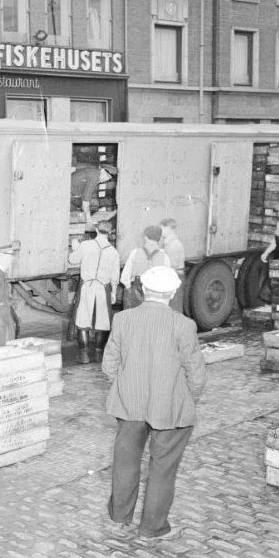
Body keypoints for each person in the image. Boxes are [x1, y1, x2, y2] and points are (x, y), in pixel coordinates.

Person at [102, 265, 206, 541]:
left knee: (125, 461)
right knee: (162, 467)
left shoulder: (123, 319)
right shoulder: (183, 325)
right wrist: (186, 398)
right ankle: (153, 528)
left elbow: (109, 364)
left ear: (143, 291)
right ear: (172, 293)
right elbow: (196, 373)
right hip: (168, 407)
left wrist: (125, 388)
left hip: (129, 404)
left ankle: (119, 516)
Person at [68, 221, 120, 363]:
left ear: (96, 229)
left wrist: (75, 247)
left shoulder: (86, 245)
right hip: (103, 288)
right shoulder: (113, 252)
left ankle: (84, 355)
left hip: (87, 287)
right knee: (103, 321)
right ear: (110, 232)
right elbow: (115, 276)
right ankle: (99, 353)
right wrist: (114, 292)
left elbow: (73, 260)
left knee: (82, 319)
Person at [120, 226, 170, 309]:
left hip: (136, 291)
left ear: (145, 237)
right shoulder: (165, 257)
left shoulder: (135, 252)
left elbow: (124, 277)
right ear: (159, 238)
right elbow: (167, 281)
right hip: (156, 294)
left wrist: (129, 289)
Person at [159, 219, 187, 313]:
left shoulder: (174, 244)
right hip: (172, 276)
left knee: (175, 307)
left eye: (163, 228)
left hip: (175, 277)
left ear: (170, 228)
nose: (161, 230)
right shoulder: (168, 243)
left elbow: (172, 264)